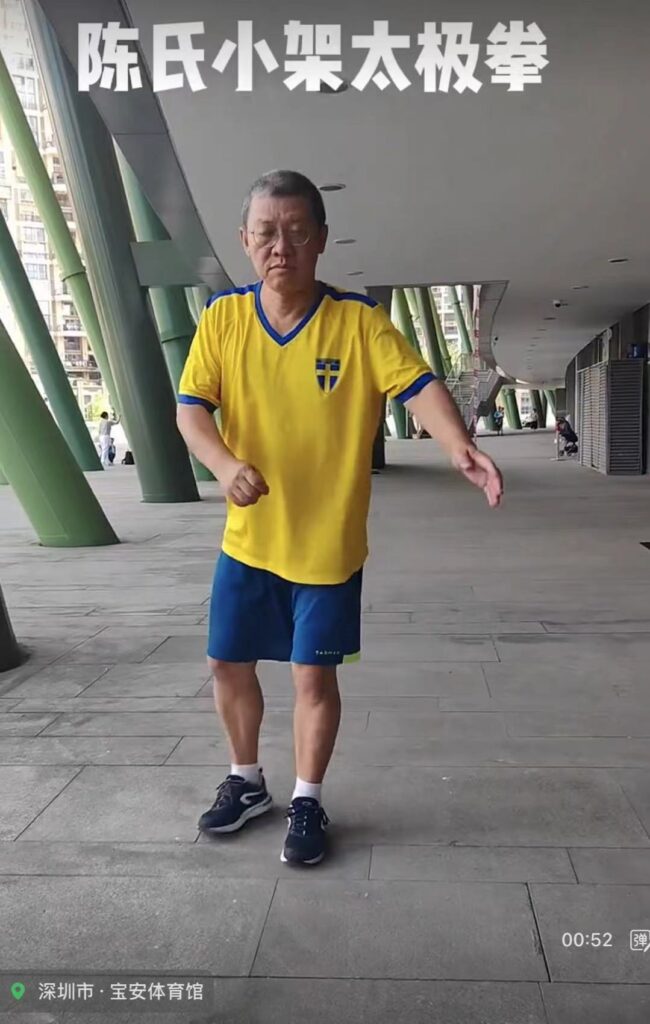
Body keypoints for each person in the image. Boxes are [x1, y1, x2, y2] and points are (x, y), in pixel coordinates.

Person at [176, 169, 504, 867]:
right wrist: (226, 466)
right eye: (267, 233)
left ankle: (307, 798)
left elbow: (417, 384)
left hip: (328, 546)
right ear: (245, 240)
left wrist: (457, 445)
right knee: (226, 662)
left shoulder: (358, 323)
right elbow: (191, 410)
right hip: (249, 541)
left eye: (297, 232)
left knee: (312, 678)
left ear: (321, 239)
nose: (281, 247)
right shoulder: (223, 319)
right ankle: (246, 780)